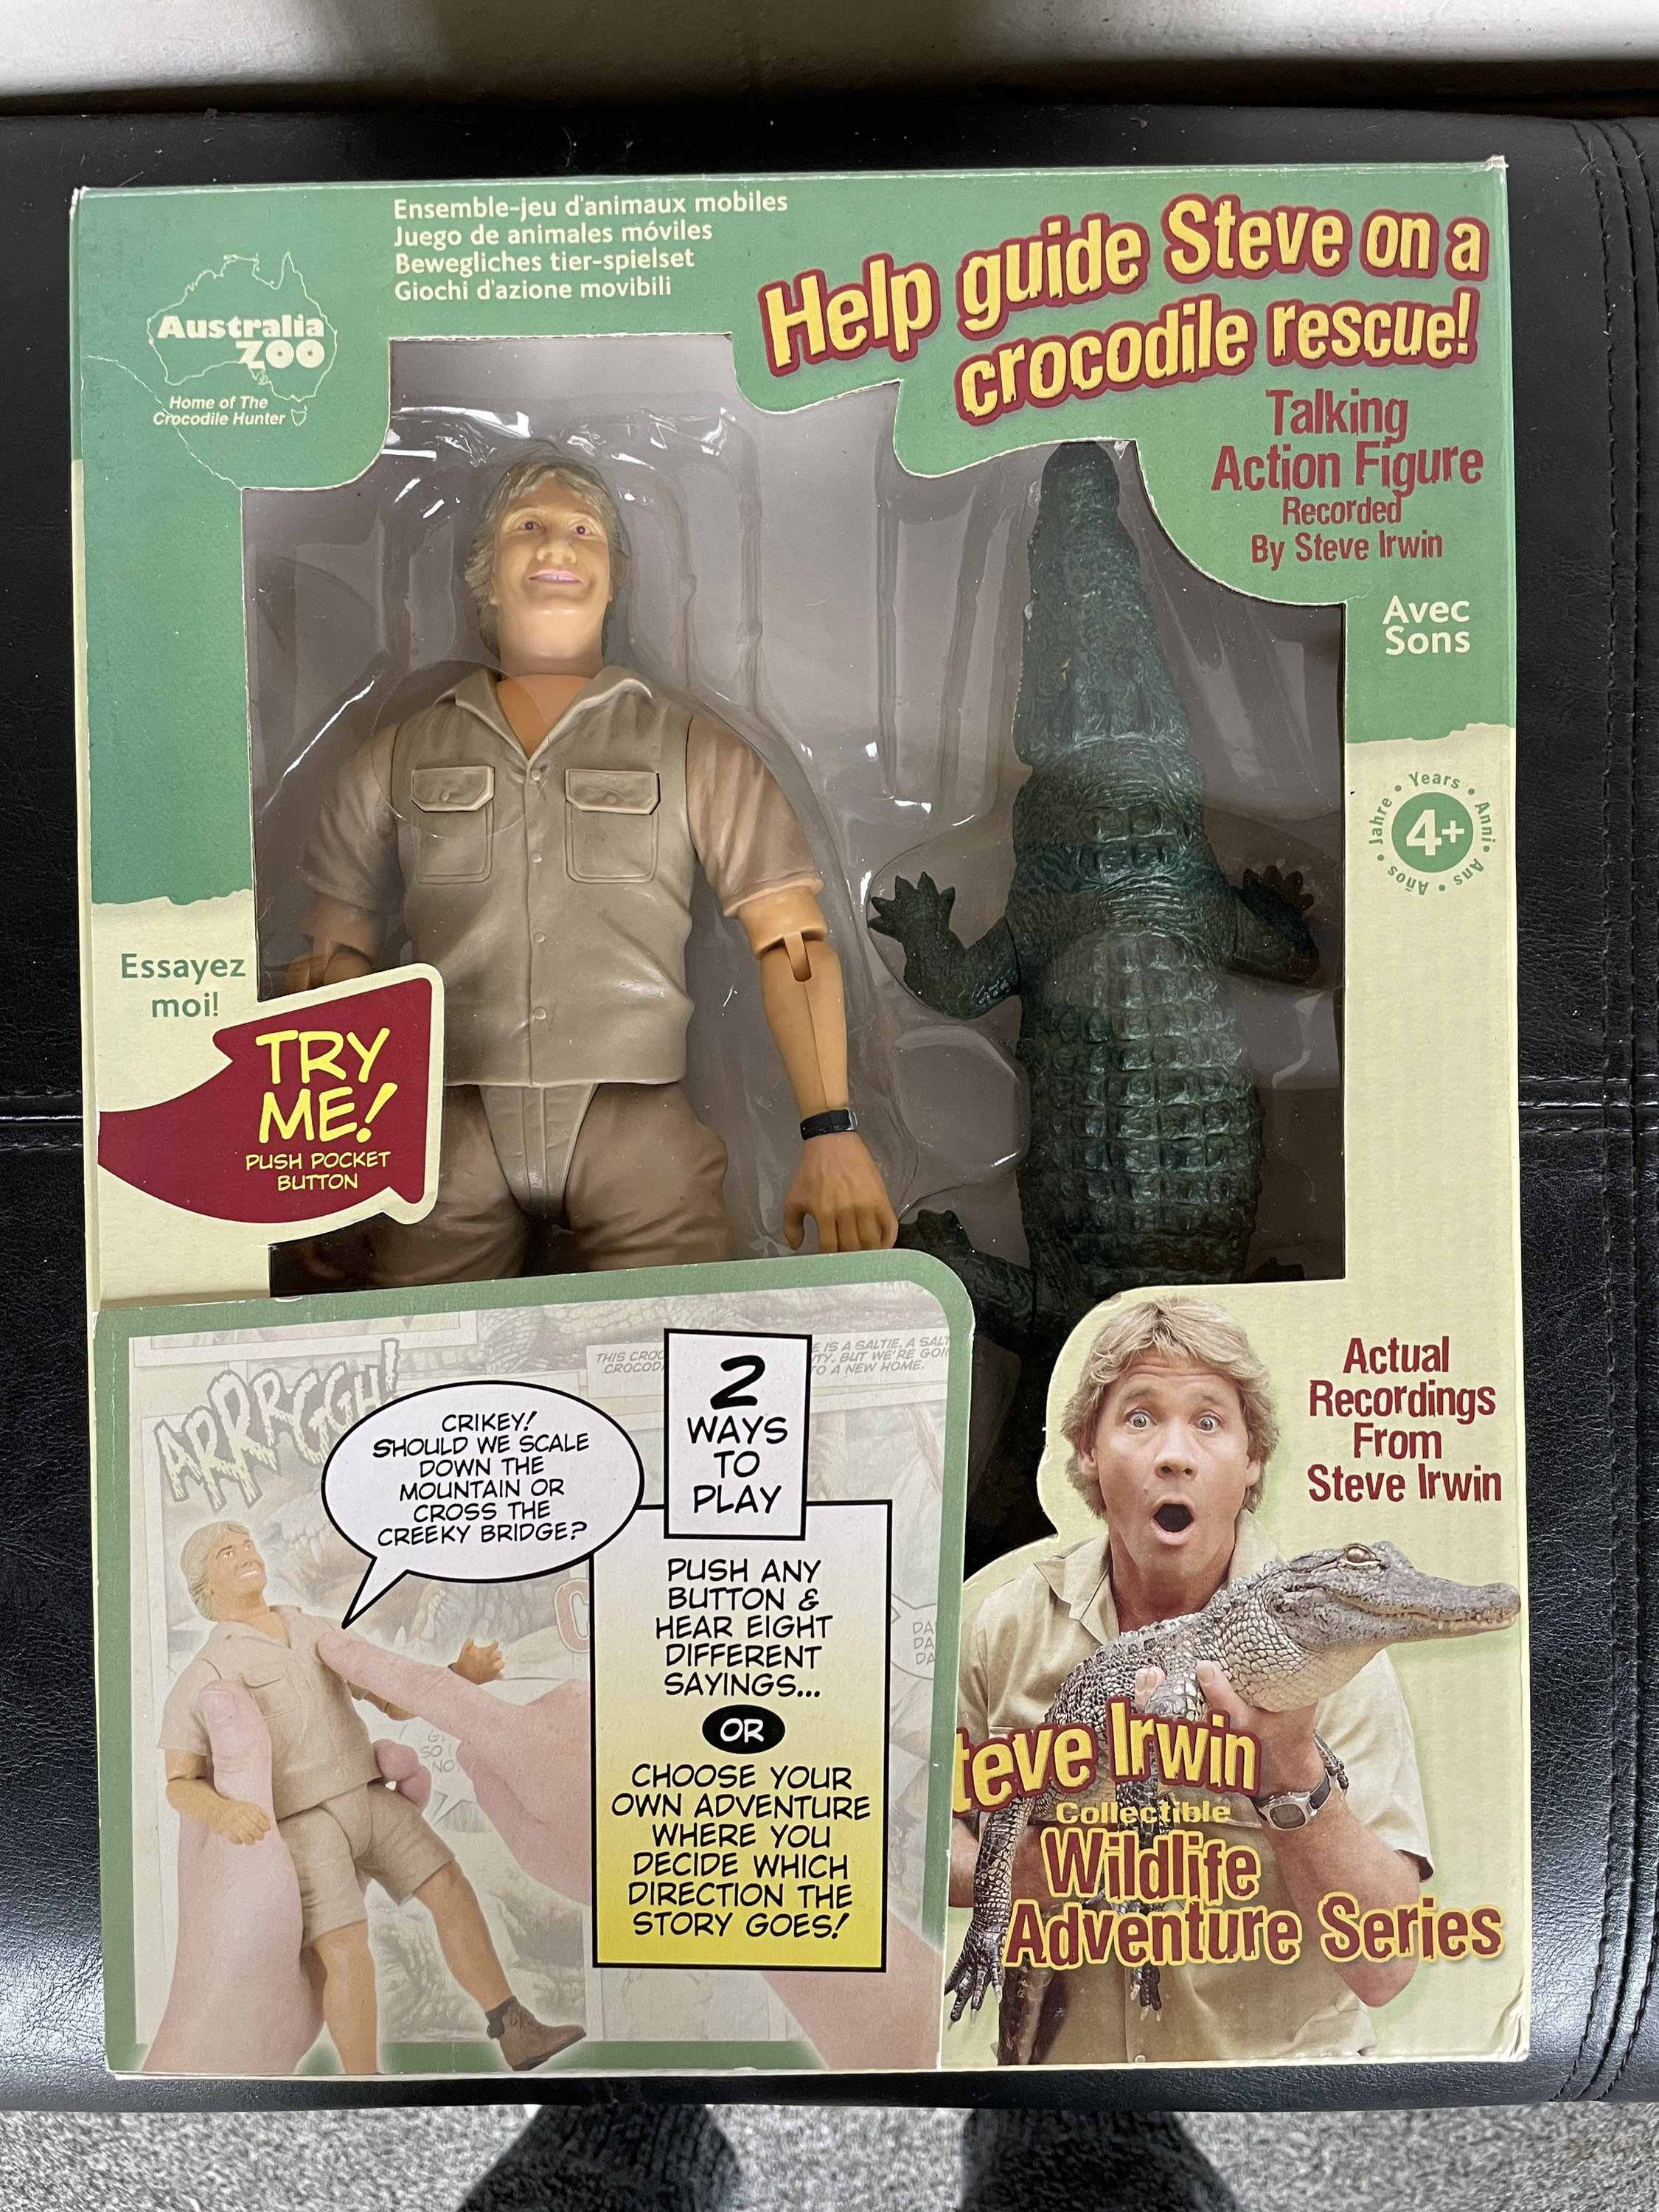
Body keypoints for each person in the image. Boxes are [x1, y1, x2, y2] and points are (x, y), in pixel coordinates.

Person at [286, 448, 897, 1285]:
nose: (556, 547)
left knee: (679, 1338)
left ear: (615, 580)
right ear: (483, 575)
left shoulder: (692, 750)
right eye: (527, 526)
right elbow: (334, 962)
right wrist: (323, 1165)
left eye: (584, 531)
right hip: (445, 1131)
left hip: (635, 1126)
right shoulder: (398, 756)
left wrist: (831, 1132)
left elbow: (793, 947)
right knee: (417, 1351)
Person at [953, 1295, 1432, 2065]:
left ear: (1252, 1462)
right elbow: (908, 1843)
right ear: (1088, 1451)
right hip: (1062, 2086)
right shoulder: (1005, 1627)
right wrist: (1031, 1874)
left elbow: (1385, 1967)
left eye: (1209, 1422)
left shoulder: (1333, 1649)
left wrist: (1293, 1766)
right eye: (1140, 1418)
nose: (1174, 1454)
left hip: (1268, 2094)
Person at [156, 1520, 582, 2075]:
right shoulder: (209, 1669)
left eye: (247, 1543)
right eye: (226, 1553)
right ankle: (363, 2082)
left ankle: (514, 2027)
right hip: (303, 1824)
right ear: (206, 1587)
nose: (245, 1554)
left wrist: (459, 1675)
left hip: (369, 1794)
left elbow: (391, 1696)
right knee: (346, 1950)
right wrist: (224, 1810)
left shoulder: (314, 1629)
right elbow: (179, 1782)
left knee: (451, 1888)